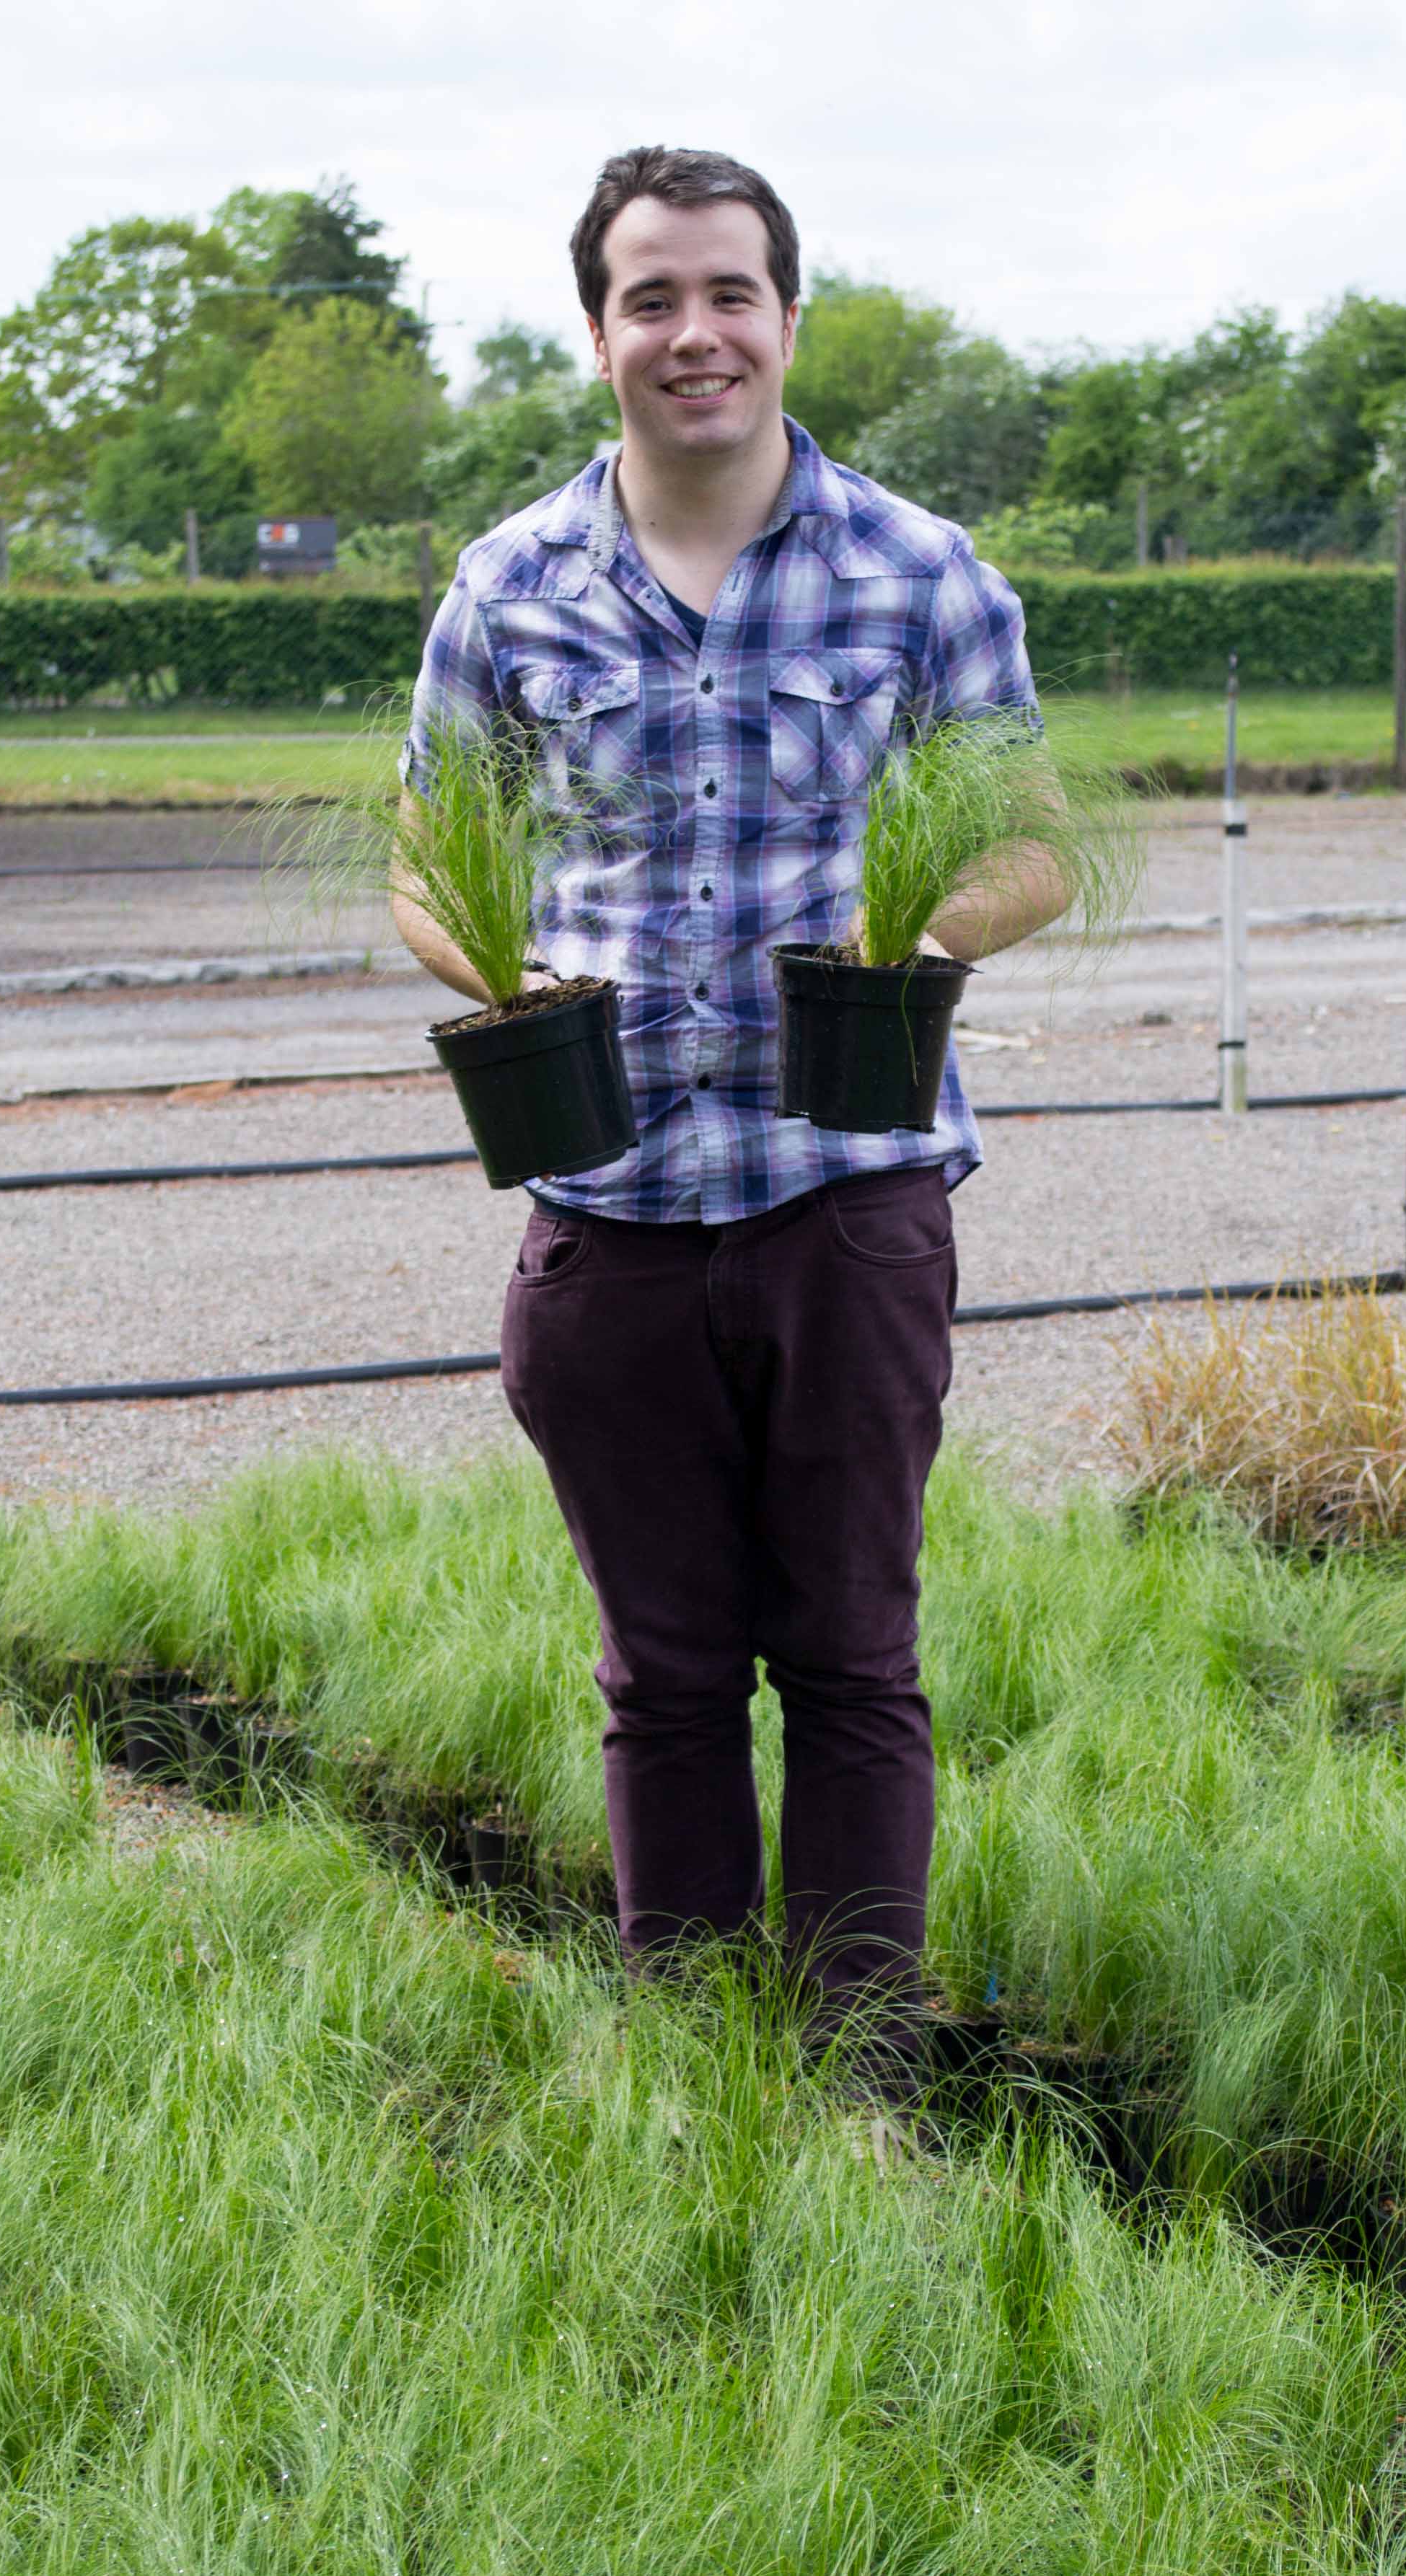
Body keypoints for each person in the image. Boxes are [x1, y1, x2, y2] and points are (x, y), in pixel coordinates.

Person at [394, 144, 1072, 2117]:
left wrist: (905, 933)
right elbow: (425, 862)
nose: (692, 333)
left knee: (851, 1655)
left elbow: (1031, 849)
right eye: (649, 299)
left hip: (839, 1198)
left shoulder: (919, 571)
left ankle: (857, 2081)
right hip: (603, 1212)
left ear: (786, 315)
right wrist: (496, 970)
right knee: (661, 1672)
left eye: (727, 294)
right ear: (596, 330)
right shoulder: (509, 583)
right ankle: (692, 2075)